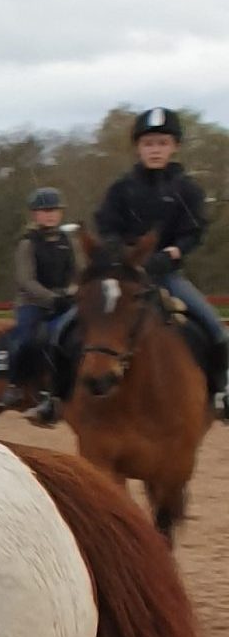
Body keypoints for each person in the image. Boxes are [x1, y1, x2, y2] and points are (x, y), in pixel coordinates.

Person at [93, 107, 226, 419]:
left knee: (218, 331)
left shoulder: (187, 189)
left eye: (162, 143)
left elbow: (193, 232)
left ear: (174, 146)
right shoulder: (121, 188)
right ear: (139, 148)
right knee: (75, 322)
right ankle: (57, 394)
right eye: (149, 143)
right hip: (124, 275)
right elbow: (107, 225)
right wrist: (122, 253)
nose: (155, 149)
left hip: (167, 275)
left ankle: (221, 390)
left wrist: (171, 254)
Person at [0, 187, 81, 425]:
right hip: (32, 303)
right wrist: (51, 298)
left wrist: (71, 292)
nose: (50, 215)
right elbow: (25, 280)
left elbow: (76, 273)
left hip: (64, 301)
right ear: (35, 215)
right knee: (30, 340)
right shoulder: (27, 243)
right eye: (44, 211)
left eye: (54, 210)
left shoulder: (67, 241)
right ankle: (15, 385)